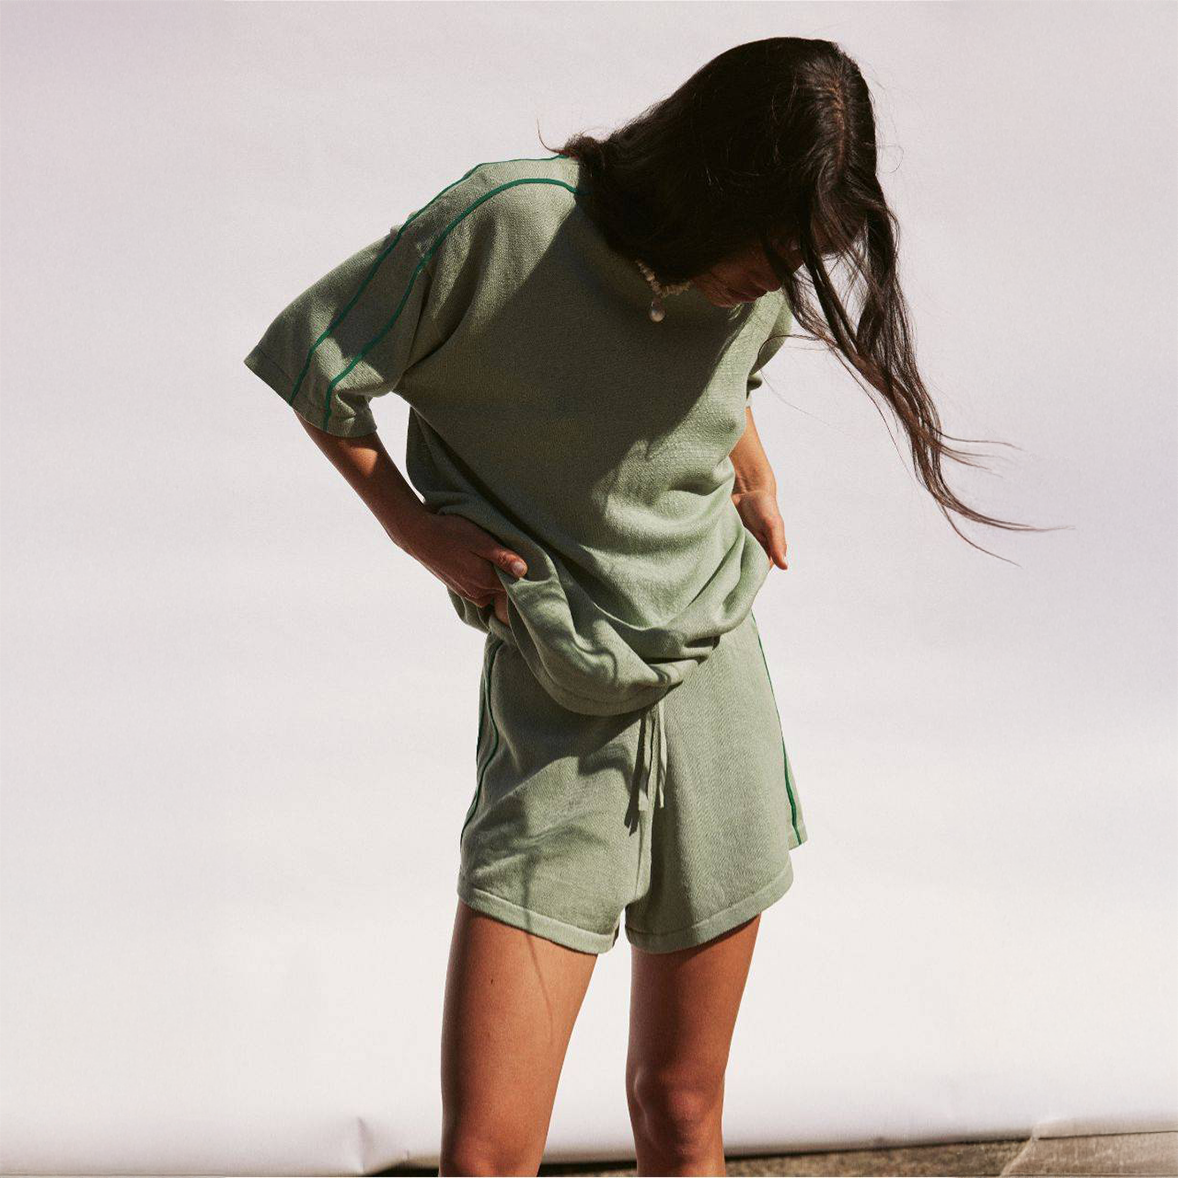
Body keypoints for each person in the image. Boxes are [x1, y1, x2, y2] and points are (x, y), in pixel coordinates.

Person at [243, 35, 1041, 1178]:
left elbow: (725, 379)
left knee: (680, 1104)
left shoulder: (751, 286)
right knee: (486, 1152)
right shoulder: (510, 226)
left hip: (715, 692)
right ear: (712, 179)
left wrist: (751, 471)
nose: (781, 281)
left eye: (806, 258)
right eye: (776, 249)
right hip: (558, 710)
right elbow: (316, 362)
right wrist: (412, 527)